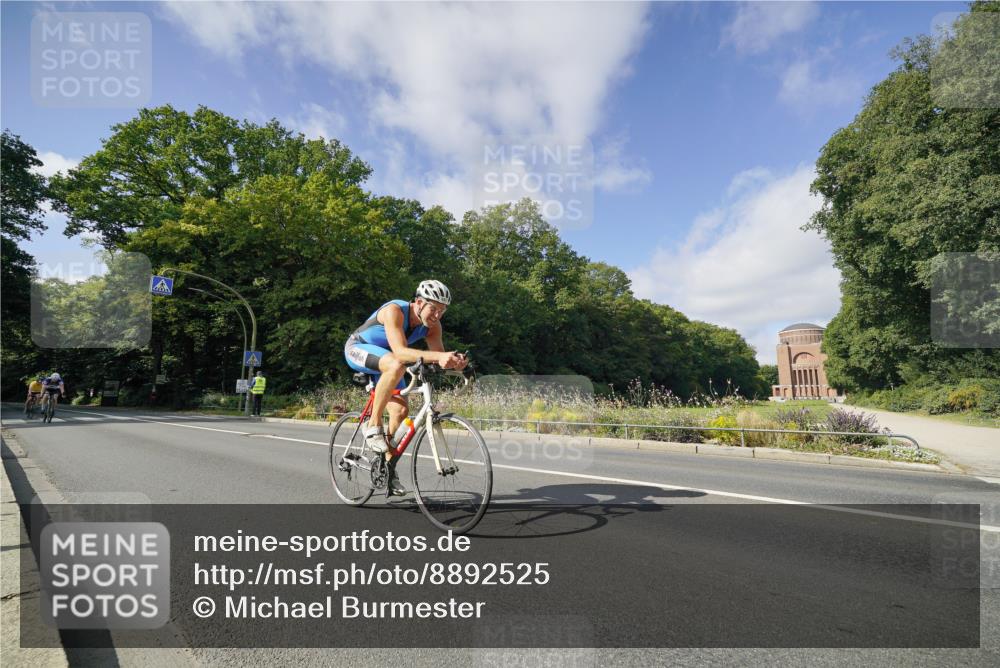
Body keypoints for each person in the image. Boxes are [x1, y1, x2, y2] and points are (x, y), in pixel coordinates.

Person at [344, 280, 467, 495]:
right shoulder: (395, 311)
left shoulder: (433, 326)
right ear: (419, 302)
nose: (437, 315)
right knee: (396, 363)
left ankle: (386, 469)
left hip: (388, 364)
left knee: (401, 411)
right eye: (433, 308)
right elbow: (400, 352)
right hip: (358, 348)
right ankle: (372, 425)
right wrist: (439, 357)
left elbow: (437, 359)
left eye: (442, 311)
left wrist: (456, 363)